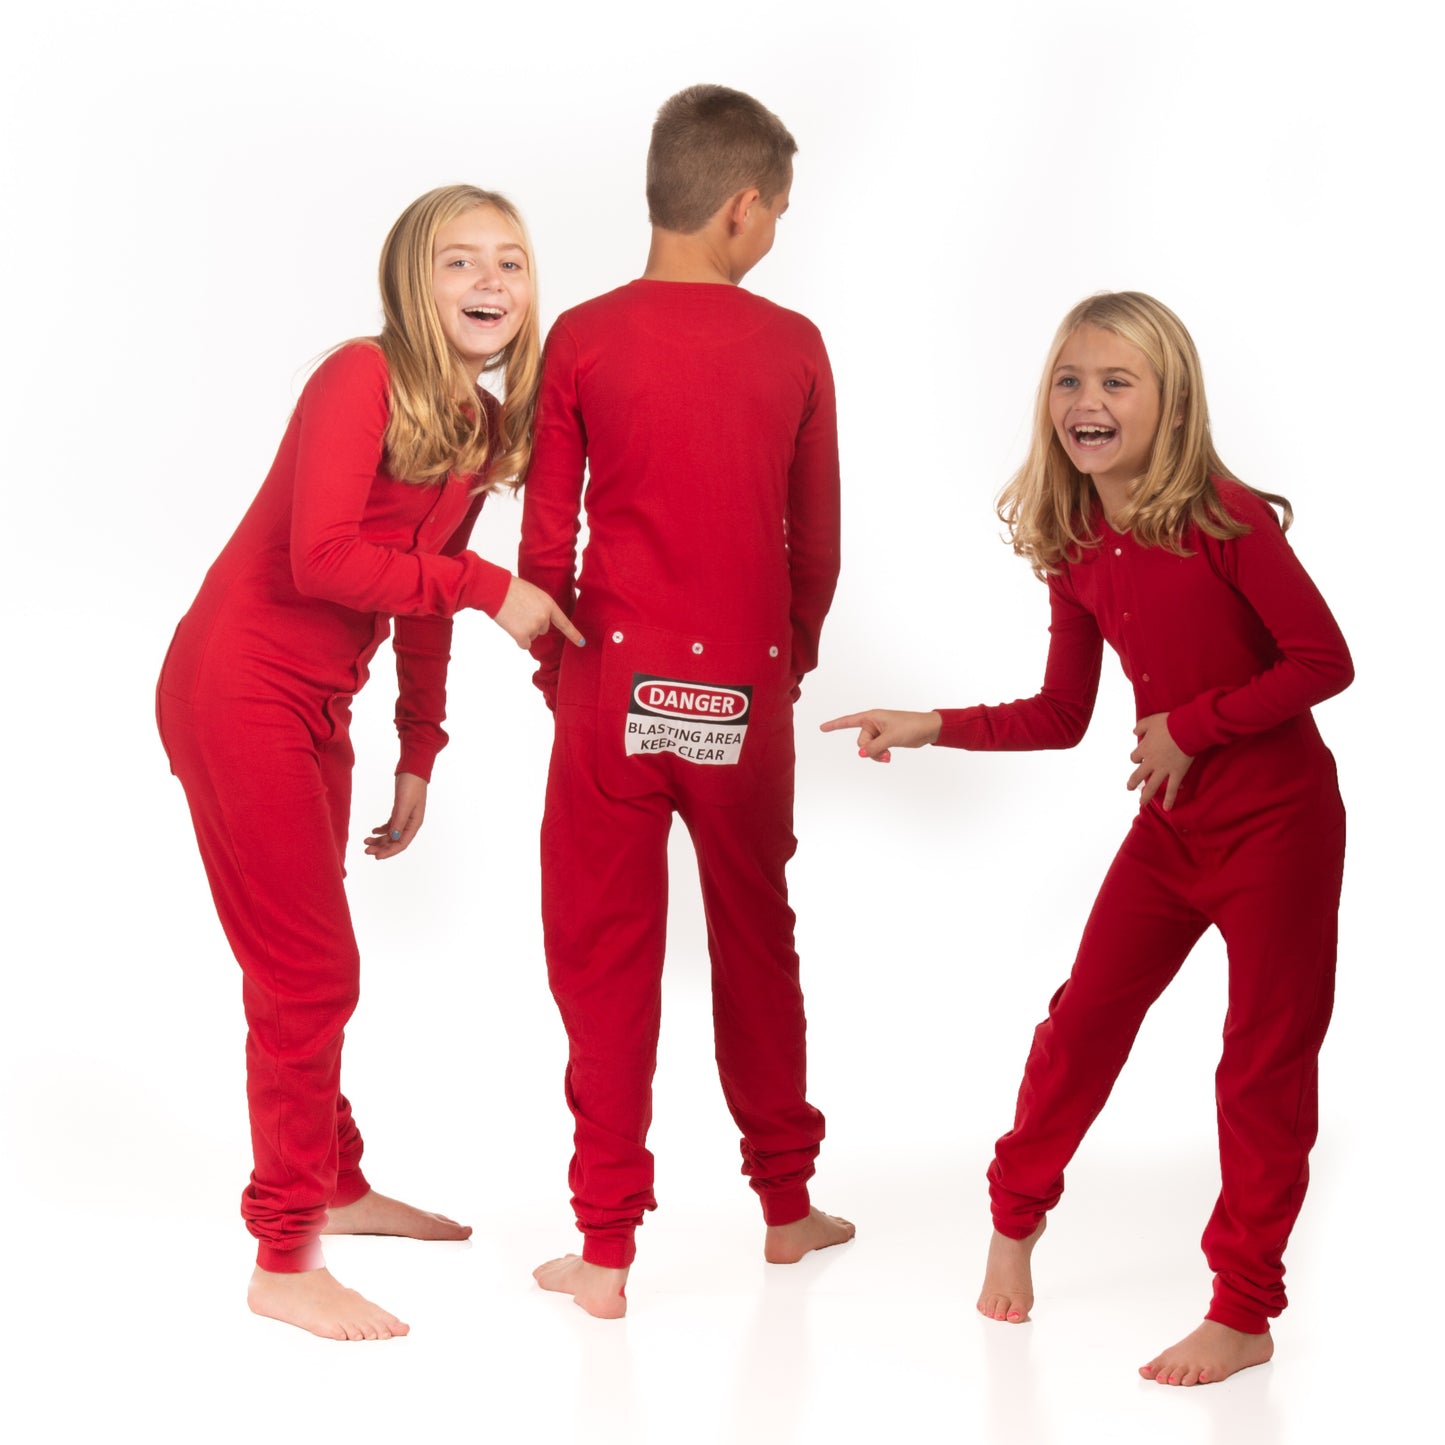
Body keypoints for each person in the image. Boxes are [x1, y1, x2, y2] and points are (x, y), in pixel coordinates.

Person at [822, 291, 1351, 1386]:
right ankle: (1015, 1215)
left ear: (1170, 402)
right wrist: (934, 726)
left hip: (1279, 830)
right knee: (1082, 1021)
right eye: (1069, 380)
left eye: (1116, 381)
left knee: (1260, 1061)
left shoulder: (1223, 517)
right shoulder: (1076, 543)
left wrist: (1191, 726)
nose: (1087, 401)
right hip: (1170, 831)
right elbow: (1063, 715)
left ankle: (1242, 1308)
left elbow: (1321, 661)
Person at [156, 184, 581, 1341]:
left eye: (509, 262)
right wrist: (495, 586)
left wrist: (418, 745)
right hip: (236, 684)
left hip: (320, 704)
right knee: (307, 967)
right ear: (410, 280)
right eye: (457, 263)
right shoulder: (360, 375)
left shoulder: (480, 426)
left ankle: (332, 1182)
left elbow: (425, 599)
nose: (488, 284)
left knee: (302, 958)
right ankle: (283, 1252)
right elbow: (326, 556)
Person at [519, 84, 853, 1319]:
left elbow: (543, 548)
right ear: (741, 208)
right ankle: (785, 1205)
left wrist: (572, 678)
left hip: (610, 685)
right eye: (776, 215)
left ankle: (603, 1252)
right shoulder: (794, 343)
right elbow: (811, 545)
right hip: (743, 697)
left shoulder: (584, 338)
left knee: (605, 956)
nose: (774, 236)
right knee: (754, 939)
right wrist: (782, 660)